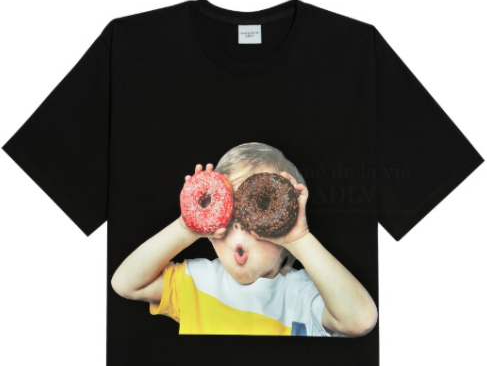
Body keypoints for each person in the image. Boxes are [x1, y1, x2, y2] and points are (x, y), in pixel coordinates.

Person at [111, 142, 378, 337]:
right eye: (227, 215)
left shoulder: (303, 295)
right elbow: (125, 284)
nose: (238, 226)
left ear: (285, 222)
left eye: (261, 210)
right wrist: (186, 227)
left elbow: (360, 321)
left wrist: (299, 238)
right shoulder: (196, 282)